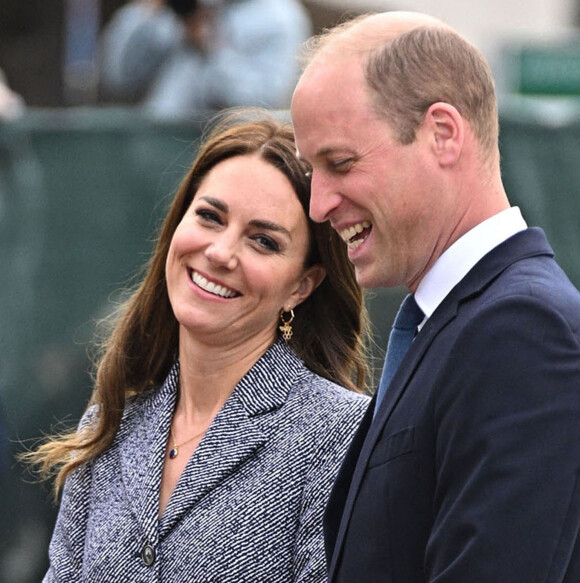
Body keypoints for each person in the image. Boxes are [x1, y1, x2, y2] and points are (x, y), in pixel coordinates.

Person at [291, 11, 580, 583]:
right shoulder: (454, 324)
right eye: (311, 171)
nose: (318, 205)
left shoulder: (522, 331)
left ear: (443, 133)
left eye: (341, 163)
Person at [26, 111, 371, 582]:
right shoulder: (113, 423)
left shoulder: (341, 435)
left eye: (263, 241)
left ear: (302, 286)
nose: (220, 252)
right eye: (210, 217)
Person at [100, 0, 312, 117]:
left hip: (221, 156)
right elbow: (120, 76)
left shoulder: (277, 16)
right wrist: (146, 12)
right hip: (153, 151)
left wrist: (209, 47)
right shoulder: (183, 8)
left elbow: (262, 101)